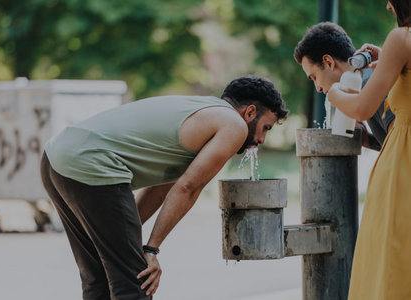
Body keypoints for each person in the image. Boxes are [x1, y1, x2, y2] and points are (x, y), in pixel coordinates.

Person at [40, 75, 288, 300]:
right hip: (92, 165)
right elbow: (188, 188)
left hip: (56, 159)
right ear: (250, 112)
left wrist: (126, 243)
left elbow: (162, 189)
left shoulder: (199, 113)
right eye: (265, 127)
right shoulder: (233, 125)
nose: (262, 140)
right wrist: (149, 250)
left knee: (99, 278)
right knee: (137, 283)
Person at [327, 1, 411, 299]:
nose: (388, 5)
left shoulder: (402, 38)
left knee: (394, 261)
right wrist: (389, 58)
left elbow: (362, 107)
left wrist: (334, 89)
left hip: (404, 165)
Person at [294, 22, 395, 151]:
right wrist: (367, 139)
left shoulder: (368, 83)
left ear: (328, 62)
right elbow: (396, 145)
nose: (318, 88)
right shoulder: (364, 83)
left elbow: (405, 144)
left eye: (315, 77)